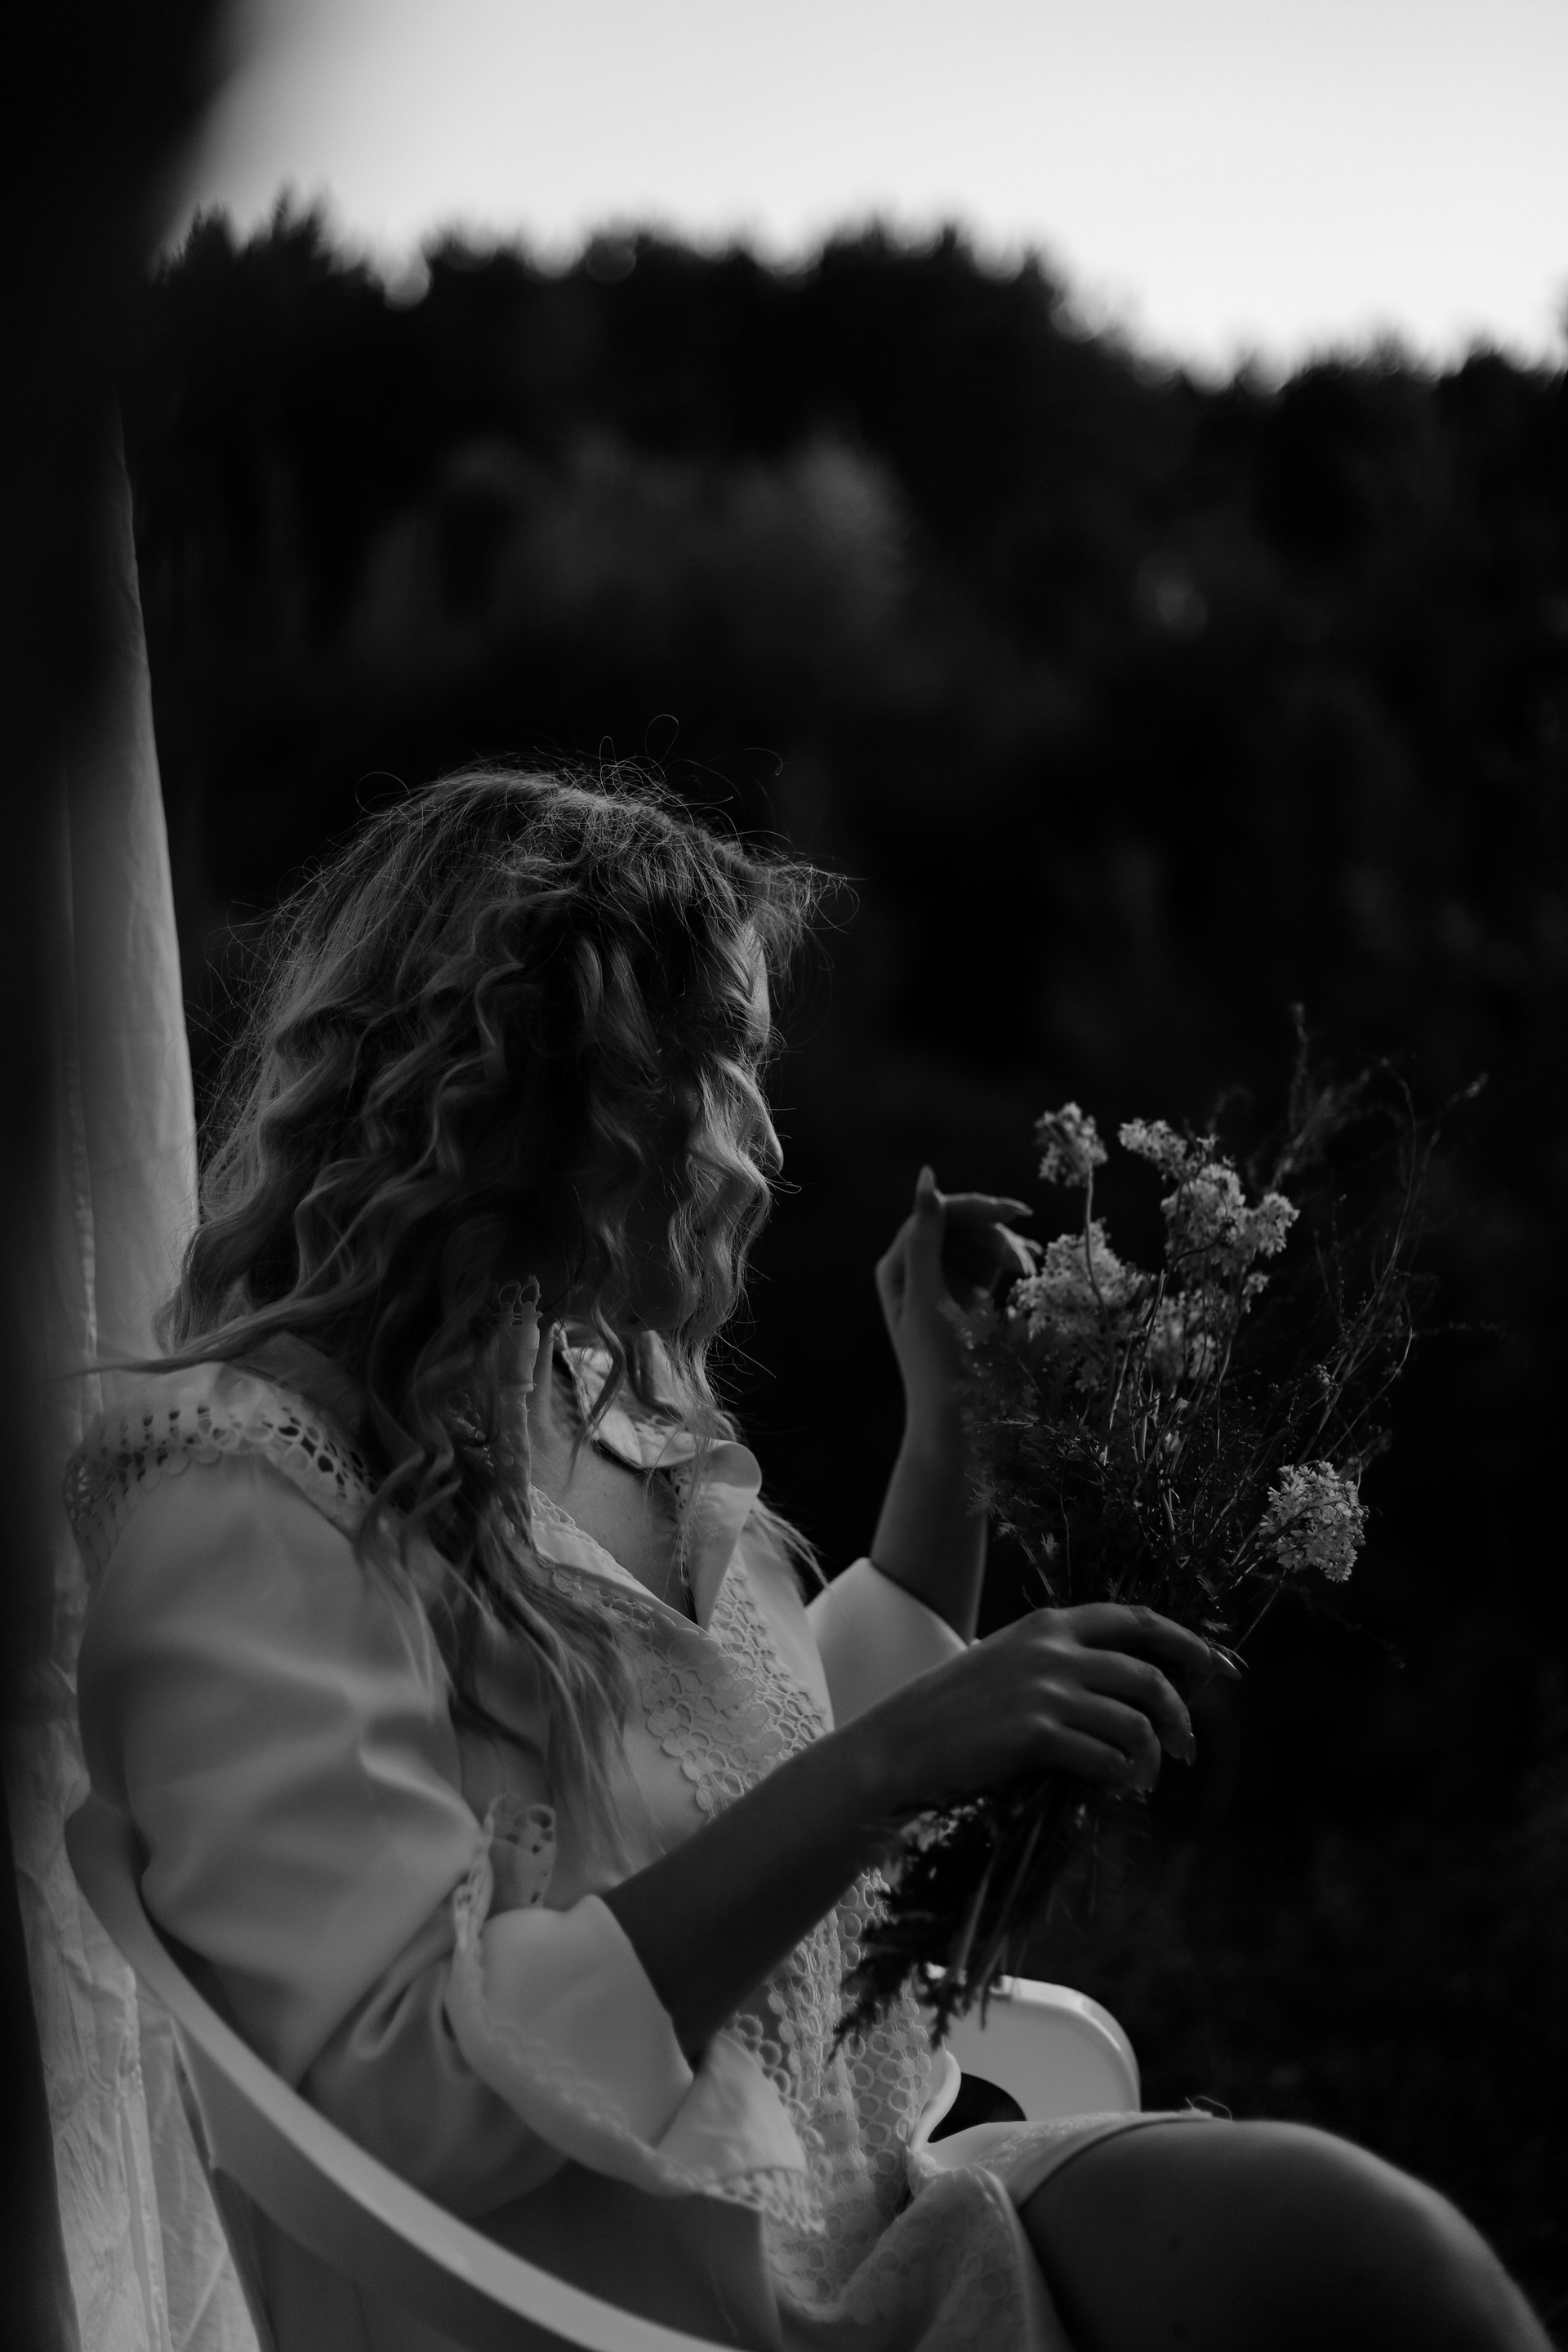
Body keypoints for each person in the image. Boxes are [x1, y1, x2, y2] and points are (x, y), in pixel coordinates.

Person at [70, 771, 1548, 2352]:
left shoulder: (586, 1398)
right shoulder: (250, 1502)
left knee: (1386, 2263)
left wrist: (948, 1451)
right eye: (718, 1067)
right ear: (539, 1081)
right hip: (670, 2312)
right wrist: (892, 1767)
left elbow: (744, 1775)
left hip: (886, 2220)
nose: (765, 1143)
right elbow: (410, 2082)